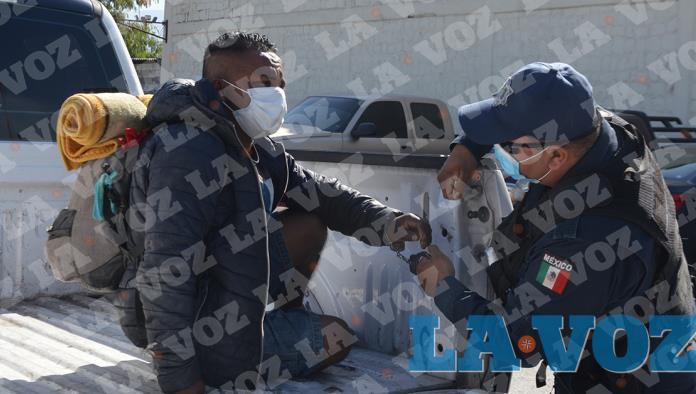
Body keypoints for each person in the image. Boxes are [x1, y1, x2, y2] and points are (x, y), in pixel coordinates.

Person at [123, 32, 431, 393]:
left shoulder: (255, 145)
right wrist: (179, 375)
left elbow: (322, 193)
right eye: (264, 83)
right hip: (200, 323)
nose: (278, 95)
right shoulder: (188, 150)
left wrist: (386, 221)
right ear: (223, 88)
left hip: (227, 279)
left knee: (309, 222)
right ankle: (229, 357)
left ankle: (282, 320)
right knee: (339, 338)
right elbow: (165, 269)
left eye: (280, 84)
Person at [419, 62, 696, 393]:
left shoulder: (588, 243)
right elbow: (517, 119)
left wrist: (443, 286)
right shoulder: (601, 130)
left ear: (555, 158)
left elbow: (516, 340)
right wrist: (466, 149)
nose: (498, 151)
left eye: (507, 146)